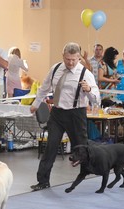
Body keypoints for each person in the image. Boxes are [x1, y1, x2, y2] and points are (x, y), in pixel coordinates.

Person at [29, 42, 100, 191]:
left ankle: (92, 175)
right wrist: (35, 103)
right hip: (57, 113)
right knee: (51, 147)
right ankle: (43, 181)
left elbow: (96, 100)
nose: (71, 63)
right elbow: (44, 88)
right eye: (68, 59)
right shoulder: (55, 69)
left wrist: (88, 91)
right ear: (63, 56)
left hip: (76, 113)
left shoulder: (85, 73)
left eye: (74, 59)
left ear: (79, 58)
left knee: (82, 148)